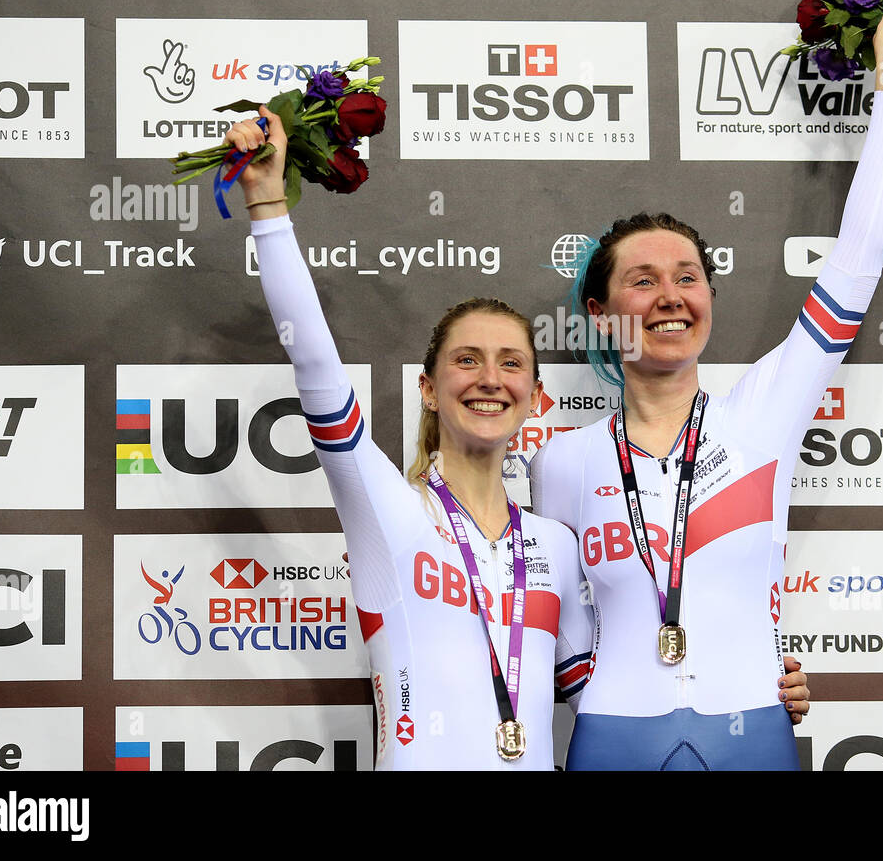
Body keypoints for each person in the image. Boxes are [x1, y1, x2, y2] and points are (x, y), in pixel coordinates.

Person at [222, 114, 810, 769]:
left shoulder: (553, 545)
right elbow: (319, 374)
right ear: (427, 387)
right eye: (467, 360)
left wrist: (760, 675)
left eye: (510, 364)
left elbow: (609, 684)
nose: (490, 379)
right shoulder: (388, 511)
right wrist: (268, 206)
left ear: (533, 397)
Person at [531, 8, 883, 770]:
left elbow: (859, 256)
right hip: (614, 736)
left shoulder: (763, 412)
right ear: (600, 313)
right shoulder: (562, 461)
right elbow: (560, 621)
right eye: (643, 281)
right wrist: (589, 694)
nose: (672, 296)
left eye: (688, 278)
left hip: (754, 731)